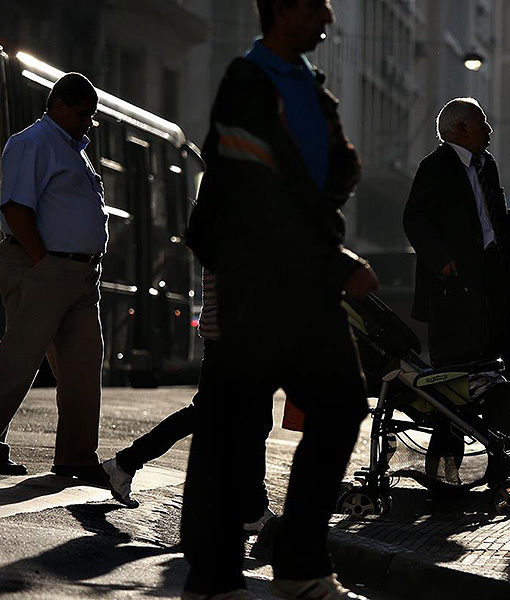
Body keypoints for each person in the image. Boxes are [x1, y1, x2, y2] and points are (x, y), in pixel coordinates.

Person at [179, 1, 375, 599]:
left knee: (341, 405)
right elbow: (253, 195)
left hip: (303, 280)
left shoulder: (312, 89)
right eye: (317, 5)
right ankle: (216, 576)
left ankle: (296, 563)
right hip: (257, 280)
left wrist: (322, 245)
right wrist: (331, 257)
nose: (329, 17)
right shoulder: (247, 82)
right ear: (285, 9)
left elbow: (338, 171)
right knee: (231, 421)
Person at [403, 97, 510, 486]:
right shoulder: (434, 168)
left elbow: (495, 221)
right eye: (482, 123)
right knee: (452, 385)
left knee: (502, 382)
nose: (490, 130)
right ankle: (446, 472)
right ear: (460, 129)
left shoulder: (486, 166)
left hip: (493, 292)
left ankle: (503, 469)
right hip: (453, 297)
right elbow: (415, 221)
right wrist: (445, 264)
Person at [0, 73, 111, 487]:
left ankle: (77, 456)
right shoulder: (33, 142)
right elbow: (16, 208)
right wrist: (45, 262)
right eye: (83, 114)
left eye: (92, 116)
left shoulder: (72, 148)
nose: (88, 123)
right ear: (58, 106)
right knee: (19, 360)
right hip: (40, 266)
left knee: (82, 365)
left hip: (79, 274)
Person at [102, 269, 274, 533]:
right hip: (239, 337)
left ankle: (125, 464)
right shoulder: (240, 229)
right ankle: (251, 509)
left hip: (238, 336)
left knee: (218, 416)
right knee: (248, 421)